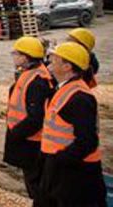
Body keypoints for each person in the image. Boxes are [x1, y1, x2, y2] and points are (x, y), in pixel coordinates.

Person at [38, 42, 106, 206]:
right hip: (61, 167)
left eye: (55, 59)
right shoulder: (63, 88)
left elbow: (87, 142)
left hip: (76, 173)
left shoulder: (80, 97)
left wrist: (59, 159)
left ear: (67, 66)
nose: (49, 62)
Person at [2, 37, 54, 200]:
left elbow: (36, 118)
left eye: (16, 53)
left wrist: (16, 133)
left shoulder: (37, 80)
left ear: (25, 57)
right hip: (26, 138)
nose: (13, 56)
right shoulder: (30, 73)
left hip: (31, 141)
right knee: (34, 184)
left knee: (37, 186)